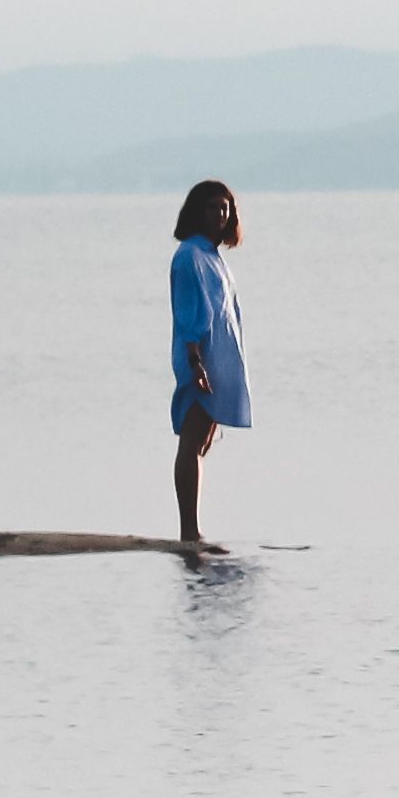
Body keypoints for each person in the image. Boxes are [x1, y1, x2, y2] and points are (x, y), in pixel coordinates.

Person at [168, 180, 253, 549]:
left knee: (202, 443)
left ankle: (193, 529)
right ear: (197, 212)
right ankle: (189, 531)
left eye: (226, 209)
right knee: (191, 442)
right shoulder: (189, 256)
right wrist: (194, 360)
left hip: (219, 358)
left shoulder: (213, 257)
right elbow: (189, 312)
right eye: (213, 208)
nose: (221, 215)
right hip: (199, 357)